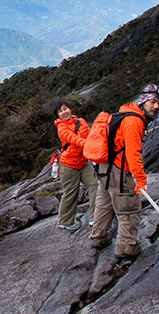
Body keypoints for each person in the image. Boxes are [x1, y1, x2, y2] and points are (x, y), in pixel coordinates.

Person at [89, 84, 159, 260]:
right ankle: (127, 248)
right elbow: (132, 154)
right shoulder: (135, 121)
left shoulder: (127, 111)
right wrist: (140, 179)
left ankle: (98, 238)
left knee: (104, 204)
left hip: (103, 167)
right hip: (118, 171)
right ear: (144, 101)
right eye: (152, 102)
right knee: (128, 209)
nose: (156, 107)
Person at [53, 99, 99, 231]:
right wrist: (90, 145)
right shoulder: (61, 127)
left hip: (83, 163)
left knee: (95, 184)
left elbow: (90, 135)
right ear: (57, 115)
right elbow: (74, 140)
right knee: (71, 193)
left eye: (65, 109)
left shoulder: (81, 122)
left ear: (70, 109)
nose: (64, 112)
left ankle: (94, 216)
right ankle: (64, 221)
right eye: (60, 111)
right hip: (69, 165)